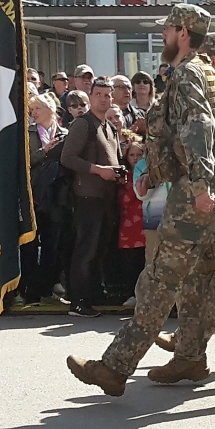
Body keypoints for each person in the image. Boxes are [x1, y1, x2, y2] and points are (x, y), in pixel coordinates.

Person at [67, 4, 215, 403]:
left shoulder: (187, 73)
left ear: (182, 32)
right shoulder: (206, 75)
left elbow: (198, 126)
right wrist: (158, 175)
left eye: (166, 29)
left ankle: (114, 368)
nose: (163, 37)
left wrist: (198, 186)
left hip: (199, 196)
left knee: (160, 280)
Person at [59, 80, 122, 318]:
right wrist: (98, 170)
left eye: (108, 95)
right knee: (86, 248)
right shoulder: (82, 125)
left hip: (106, 196)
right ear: (91, 96)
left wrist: (118, 173)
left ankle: (93, 293)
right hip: (87, 195)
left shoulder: (108, 125)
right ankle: (78, 301)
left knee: (99, 248)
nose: (103, 99)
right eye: (98, 95)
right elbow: (68, 157)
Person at [23, 93, 70, 305]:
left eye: (37, 109)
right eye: (32, 110)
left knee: (54, 245)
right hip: (34, 195)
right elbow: (24, 162)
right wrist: (45, 151)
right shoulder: (28, 134)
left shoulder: (65, 133)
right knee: (31, 245)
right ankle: (30, 290)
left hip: (56, 196)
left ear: (50, 109)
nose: (33, 114)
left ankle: (47, 286)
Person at [116, 139, 146, 308]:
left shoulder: (151, 174)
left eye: (139, 154)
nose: (135, 158)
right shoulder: (124, 177)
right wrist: (136, 187)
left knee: (144, 260)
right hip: (128, 226)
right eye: (132, 155)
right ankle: (130, 293)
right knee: (130, 262)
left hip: (146, 223)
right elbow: (123, 201)